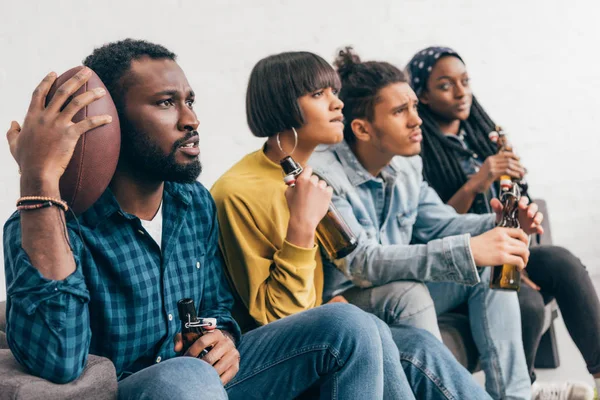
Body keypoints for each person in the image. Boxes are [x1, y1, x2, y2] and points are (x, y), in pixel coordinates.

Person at [4, 39, 408, 400]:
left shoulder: (193, 202)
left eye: (190, 101)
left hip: (213, 381)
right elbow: (59, 360)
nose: (190, 120)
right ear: (111, 121)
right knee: (181, 377)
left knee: (349, 325)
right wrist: (39, 179)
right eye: (166, 103)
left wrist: (224, 336)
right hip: (141, 388)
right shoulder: (49, 226)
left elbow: (217, 304)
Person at [211, 50, 493, 399]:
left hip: (329, 319)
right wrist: (301, 226)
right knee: (370, 325)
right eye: (319, 95)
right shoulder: (238, 191)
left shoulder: (310, 176)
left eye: (334, 91)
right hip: (275, 348)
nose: (337, 104)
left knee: (418, 345)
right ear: (282, 107)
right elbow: (275, 317)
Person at [308, 47, 547, 400]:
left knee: (489, 268)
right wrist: (466, 250)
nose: (417, 120)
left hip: (399, 282)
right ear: (362, 128)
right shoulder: (326, 176)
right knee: (412, 291)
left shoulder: (406, 166)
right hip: (350, 301)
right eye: (400, 111)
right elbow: (361, 262)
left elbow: (439, 224)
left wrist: (494, 222)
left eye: (414, 108)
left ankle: (514, 396)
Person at [408, 45, 599, 400]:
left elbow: (510, 207)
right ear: (423, 95)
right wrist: (478, 181)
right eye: (446, 85)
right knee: (522, 299)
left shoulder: (482, 136)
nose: (461, 91)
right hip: (460, 258)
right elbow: (433, 225)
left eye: (465, 81)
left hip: (501, 245)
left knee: (564, 263)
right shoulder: (416, 148)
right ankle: (526, 389)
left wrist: (516, 215)